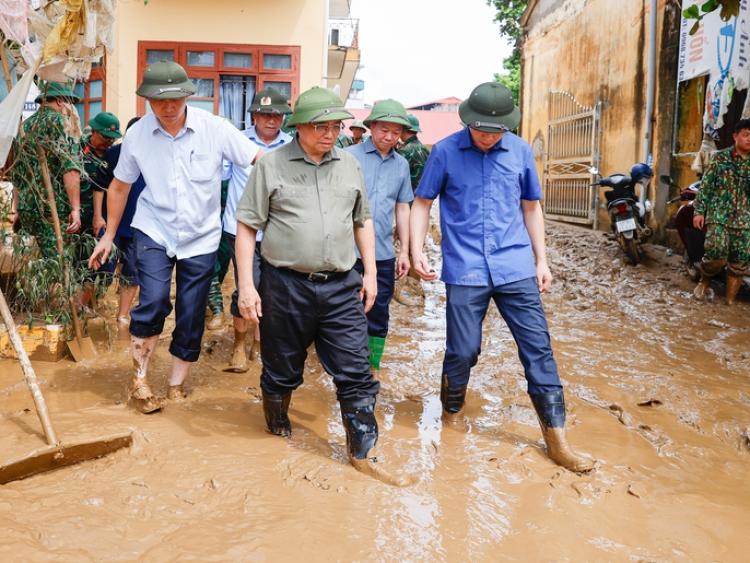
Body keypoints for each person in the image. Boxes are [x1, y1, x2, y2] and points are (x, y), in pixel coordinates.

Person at [410, 82, 594, 473]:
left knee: (538, 348)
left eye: (496, 132)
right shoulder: (444, 152)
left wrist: (541, 260)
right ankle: (452, 409)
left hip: (515, 267)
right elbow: (423, 202)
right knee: (463, 350)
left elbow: (531, 207)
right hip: (465, 268)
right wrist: (416, 251)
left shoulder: (521, 151)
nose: (490, 137)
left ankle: (557, 440)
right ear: (468, 123)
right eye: (482, 131)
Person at [88, 61, 262, 414]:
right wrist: (107, 235)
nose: (167, 107)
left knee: (191, 313)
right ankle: (140, 378)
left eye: (175, 99)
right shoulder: (137, 135)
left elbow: (259, 159)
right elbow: (119, 186)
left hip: (201, 236)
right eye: (158, 100)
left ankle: (176, 385)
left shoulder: (216, 129)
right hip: (154, 228)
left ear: (187, 96)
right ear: (148, 100)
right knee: (151, 301)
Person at [234, 86, 381, 468]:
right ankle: (277, 423)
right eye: (319, 127)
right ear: (299, 127)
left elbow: (361, 219)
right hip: (285, 285)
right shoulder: (271, 165)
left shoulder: (349, 165)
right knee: (281, 367)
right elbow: (247, 226)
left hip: (341, 285)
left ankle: (362, 451)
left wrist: (372, 273)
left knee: (356, 369)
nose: (329, 134)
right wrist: (247, 287)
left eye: (334, 126)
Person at [207, 88, 292, 372]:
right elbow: (219, 177)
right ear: (254, 115)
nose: (270, 120)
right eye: (265, 114)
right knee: (246, 285)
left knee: (272, 290)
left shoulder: (292, 146)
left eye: (276, 115)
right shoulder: (238, 141)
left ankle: (260, 342)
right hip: (240, 229)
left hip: (279, 232)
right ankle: (239, 345)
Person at [347, 99, 413, 369]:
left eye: (396, 132)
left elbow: (403, 207)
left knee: (378, 311)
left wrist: (405, 251)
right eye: (383, 129)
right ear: (371, 126)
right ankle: (347, 365)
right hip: (346, 251)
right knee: (346, 310)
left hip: (383, 252)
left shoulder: (402, 165)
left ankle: (371, 368)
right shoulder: (348, 157)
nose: (389, 136)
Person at [10, 82, 82, 257]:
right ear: (60, 101)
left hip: (28, 210)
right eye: (70, 102)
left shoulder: (24, 127)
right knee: (59, 264)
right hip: (54, 210)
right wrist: (75, 209)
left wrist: (17, 208)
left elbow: (17, 175)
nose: (70, 108)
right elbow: (70, 169)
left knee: (32, 264)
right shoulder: (62, 123)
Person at [93, 117, 146, 326]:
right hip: (112, 227)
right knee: (101, 269)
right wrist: (98, 216)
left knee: (132, 274)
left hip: (141, 227)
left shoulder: (156, 157)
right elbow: (99, 186)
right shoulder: (114, 154)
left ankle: (122, 315)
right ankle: (89, 309)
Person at [692, 118, 750, 305]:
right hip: (719, 216)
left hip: (745, 220)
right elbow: (706, 186)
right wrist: (699, 211)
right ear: (735, 136)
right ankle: (705, 280)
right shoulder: (720, 158)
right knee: (716, 254)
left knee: (739, 263)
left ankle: (729, 303)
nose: (749, 139)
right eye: (746, 135)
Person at [80, 111, 122, 306]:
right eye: (106, 137)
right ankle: (80, 308)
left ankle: (94, 305)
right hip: (78, 219)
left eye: (112, 138)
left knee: (105, 267)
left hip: (104, 220)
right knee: (80, 267)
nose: (109, 142)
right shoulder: (77, 151)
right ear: (94, 131)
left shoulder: (115, 156)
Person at [397, 113, 430, 191]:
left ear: (404, 129)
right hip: (424, 193)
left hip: (409, 195)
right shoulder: (424, 148)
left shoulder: (405, 150)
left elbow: (395, 174)